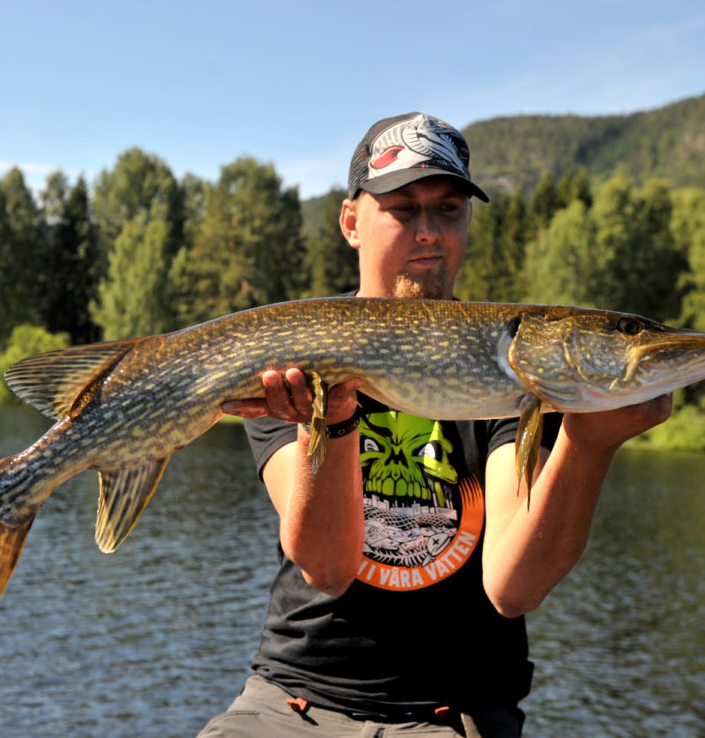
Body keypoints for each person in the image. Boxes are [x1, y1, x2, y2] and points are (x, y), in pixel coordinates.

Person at [197, 113, 671, 737]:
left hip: (454, 714)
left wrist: (588, 445)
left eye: (448, 210)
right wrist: (330, 422)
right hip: (292, 701)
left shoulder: (515, 369)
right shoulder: (294, 351)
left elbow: (512, 587)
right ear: (351, 223)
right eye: (402, 209)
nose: (429, 234)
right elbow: (327, 568)